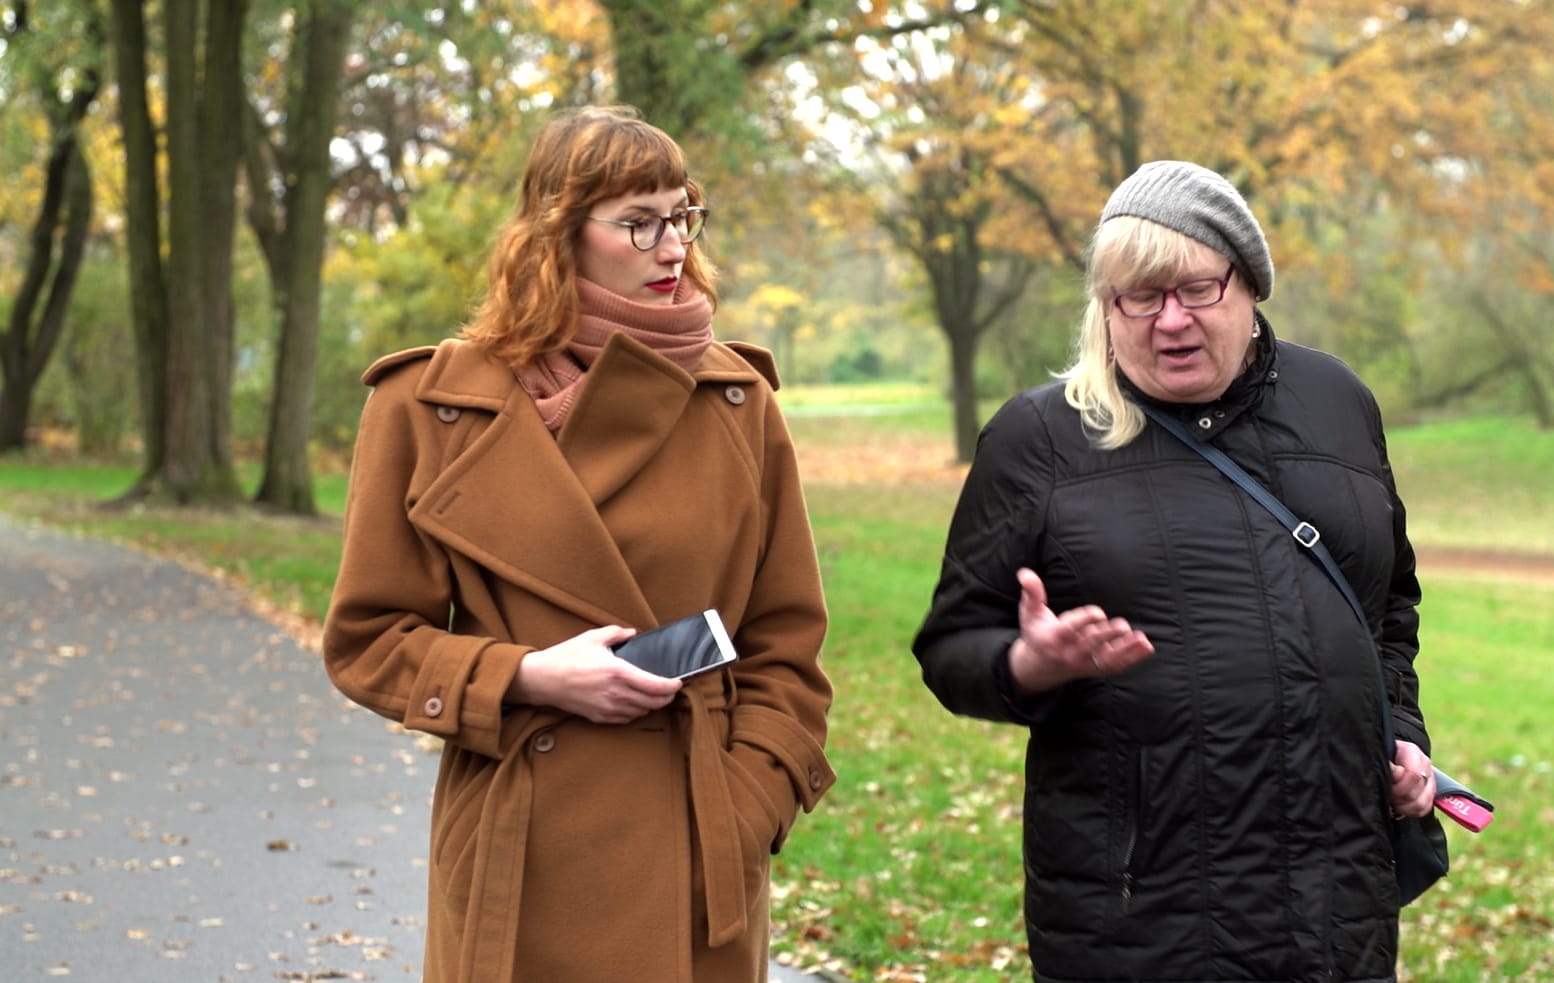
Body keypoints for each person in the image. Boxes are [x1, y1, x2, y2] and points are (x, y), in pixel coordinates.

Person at [322, 105, 834, 983]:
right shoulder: (430, 405)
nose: (672, 247)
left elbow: (787, 646)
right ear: (557, 235)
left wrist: (746, 807)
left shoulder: (737, 400)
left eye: (682, 214)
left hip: (690, 847)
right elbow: (369, 641)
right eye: (638, 223)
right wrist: (525, 676)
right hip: (519, 848)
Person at [912, 161, 1438, 982]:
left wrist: (1400, 733)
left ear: (1249, 286)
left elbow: (1386, 609)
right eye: (1137, 297)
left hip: (1338, 897)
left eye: (1196, 290)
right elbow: (950, 649)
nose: (1169, 322)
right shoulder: (1040, 439)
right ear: (1105, 305)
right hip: (1141, 914)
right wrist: (1028, 664)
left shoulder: (1338, 401)